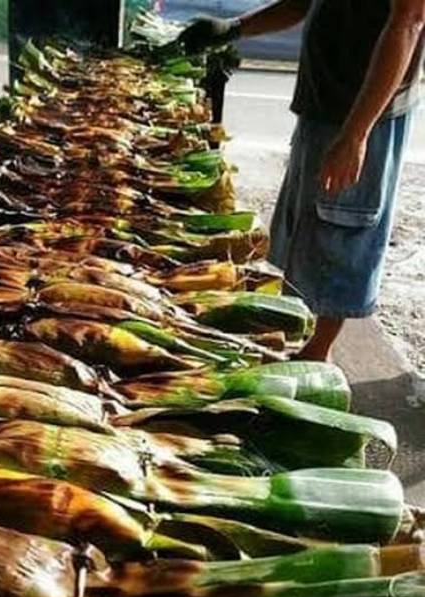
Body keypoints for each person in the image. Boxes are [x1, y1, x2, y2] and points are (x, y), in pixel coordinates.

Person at [179, 0, 425, 361]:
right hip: (322, 103)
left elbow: (409, 21)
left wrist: (356, 135)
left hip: (365, 115)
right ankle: (291, 334)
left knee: (342, 228)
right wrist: (233, 28)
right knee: (303, 229)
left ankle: (316, 354)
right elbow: (300, 3)